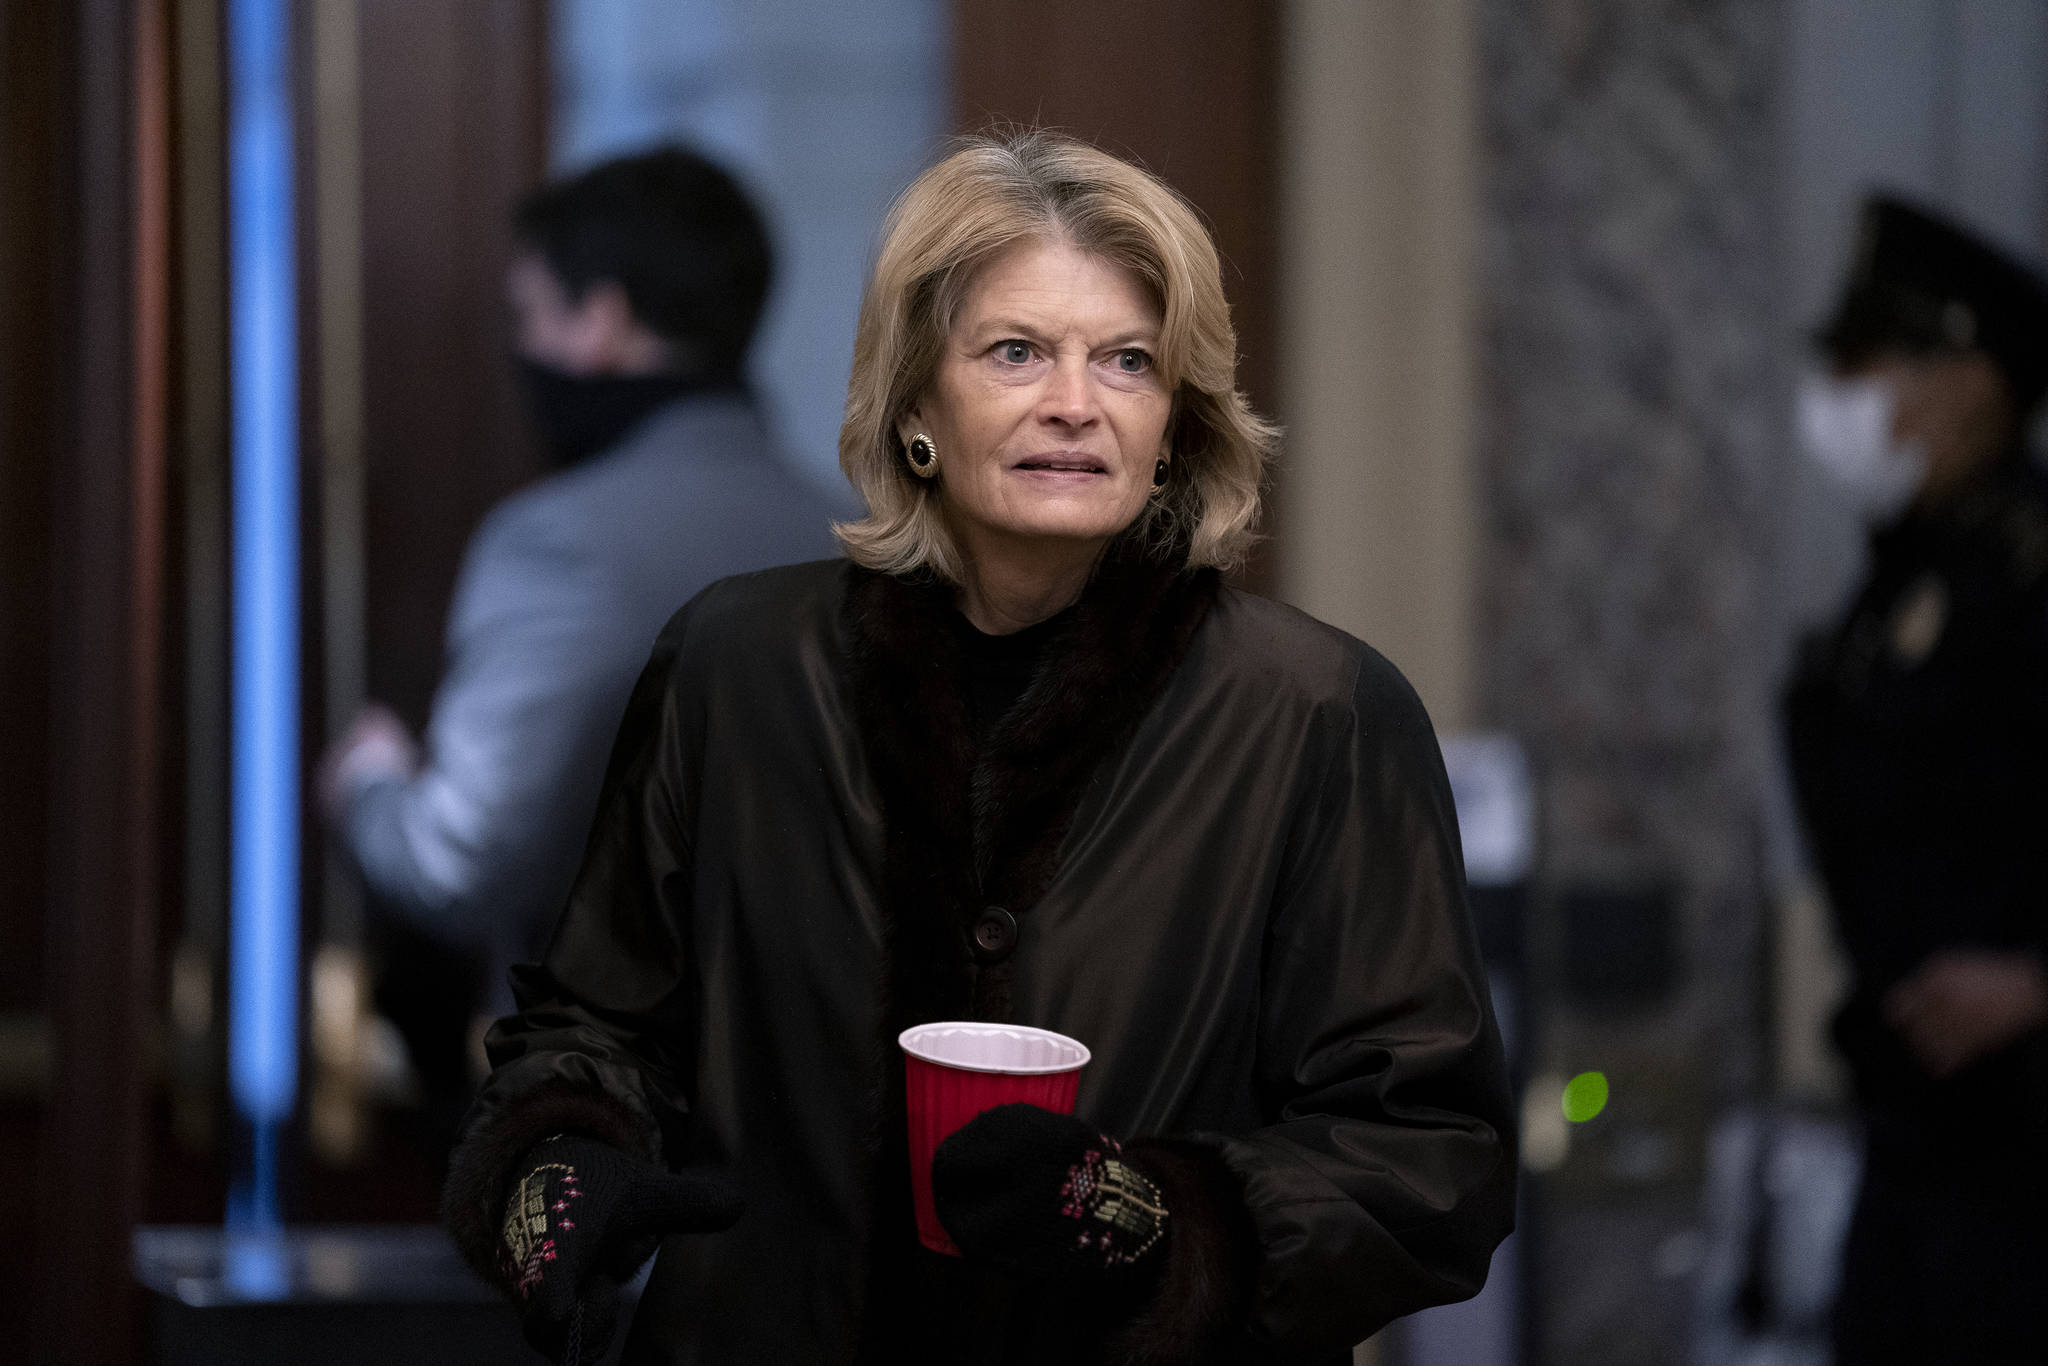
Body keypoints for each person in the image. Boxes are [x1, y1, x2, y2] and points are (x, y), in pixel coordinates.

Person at [443, 131, 1515, 1365]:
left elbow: (1428, 1154)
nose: (1074, 402)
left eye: (1127, 360)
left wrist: (1143, 1219)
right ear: (914, 404)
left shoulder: (1317, 712)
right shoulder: (735, 666)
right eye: (1015, 351)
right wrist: (555, 1178)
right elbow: (593, 1026)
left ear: (1173, 423)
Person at [318, 147, 845, 1141]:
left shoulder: (559, 544)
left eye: (528, 315)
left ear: (601, 320)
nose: (519, 348)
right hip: (822, 1137)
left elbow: (459, 861)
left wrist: (369, 783)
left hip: (606, 1146)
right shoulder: (850, 539)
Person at [1785, 194, 2048, 1365]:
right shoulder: (1901, 579)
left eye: (1868, 366)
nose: (1839, 398)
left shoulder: (2024, 574)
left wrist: (2036, 983)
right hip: (1916, 1130)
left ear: (1970, 381)